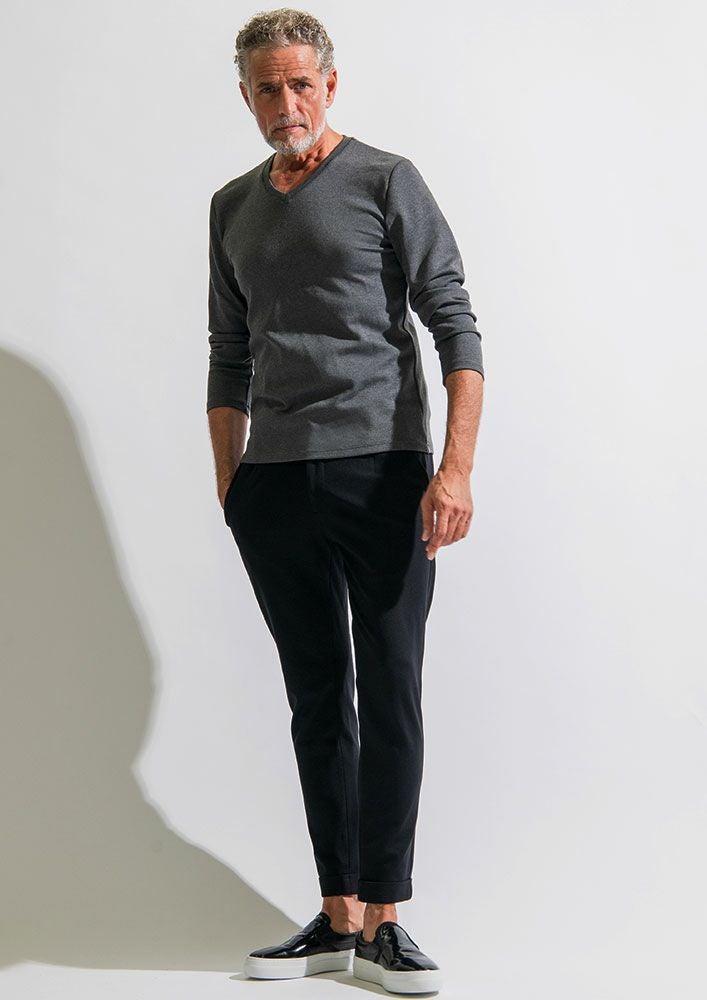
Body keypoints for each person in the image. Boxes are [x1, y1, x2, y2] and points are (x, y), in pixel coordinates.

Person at [206, 8, 484, 995]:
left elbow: (454, 326)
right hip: (275, 483)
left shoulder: (383, 180)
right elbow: (228, 351)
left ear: (329, 84)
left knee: (390, 687)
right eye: (266, 88)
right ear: (246, 96)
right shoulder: (231, 205)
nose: (285, 102)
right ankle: (335, 917)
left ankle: (386, 921)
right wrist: (231, 482)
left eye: (300, 83)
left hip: (383, 471)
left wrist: (453, 470)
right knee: (316, 696)